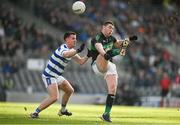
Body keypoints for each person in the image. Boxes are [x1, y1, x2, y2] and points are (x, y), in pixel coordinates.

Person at [30, 31, 89, 118]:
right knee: (54, 97)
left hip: (56, 76)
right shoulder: (63, 49)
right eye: (73, 38)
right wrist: (78, 50)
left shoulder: (72, 51)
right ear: (66, 39)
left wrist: (89, 55)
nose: (75, 40)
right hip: (49, 75)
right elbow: (66, 54)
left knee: (70, 90)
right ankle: (35, 113)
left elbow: (81, 62)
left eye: (75, 39)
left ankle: (63, 110)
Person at [87, 21, 137, 122]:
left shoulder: (111, 38)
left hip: (109, 65)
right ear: (103, 27)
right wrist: (105, 54)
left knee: (113, 89)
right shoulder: (97, 38)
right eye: (109, 27)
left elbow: (119, 43)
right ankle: (116, 52)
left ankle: (106, 114)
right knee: (103, 54)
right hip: (98, 65)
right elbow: (99, 47)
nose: (111, 30)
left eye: (112, 29)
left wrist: (129, 40)